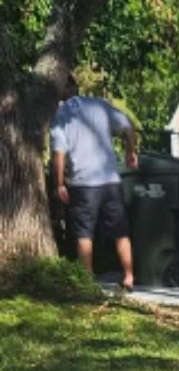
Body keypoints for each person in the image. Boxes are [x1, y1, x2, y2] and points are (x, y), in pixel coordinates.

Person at [49, 76, 139, 289]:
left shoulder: (62, 114)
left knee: (84, 233)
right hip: (110, 180)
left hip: (83, 183)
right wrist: (130, 152)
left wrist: (59, 183)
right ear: (76, 87)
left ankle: (88, 280)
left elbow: (58, 153)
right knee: (120, 231)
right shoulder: (99, 105)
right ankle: (128, 276)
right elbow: (127, 125)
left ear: (63, 90)